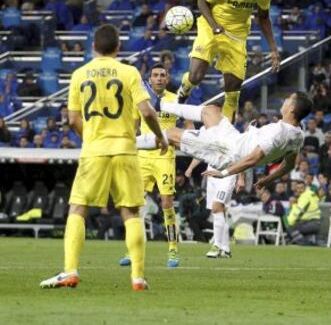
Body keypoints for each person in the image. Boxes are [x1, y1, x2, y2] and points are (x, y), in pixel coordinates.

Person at [39, 24, 168, 291]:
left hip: (94, 150)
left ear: (93, 47)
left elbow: (73, 119)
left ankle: (70, 272)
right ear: (118, 47)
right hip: (125, 149)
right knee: (131, 212)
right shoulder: (129, 72)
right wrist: (160, 136)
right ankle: (137, 277)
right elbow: (147, 112)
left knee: (78, 209)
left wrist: (93, 138)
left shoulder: (78, 74)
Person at [177, 0, 280, 123]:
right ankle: (183, 91)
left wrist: (273, 49)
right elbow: (202, 0)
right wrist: (214, 24)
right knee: (196, 75)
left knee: (233, 89)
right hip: (211, 26)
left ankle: (226, 130)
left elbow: (263, 18)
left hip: (237, 34)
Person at [137, 92, 312, 191]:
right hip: (233, 139)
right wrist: (267, 180)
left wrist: (225, 173)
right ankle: (159, 104)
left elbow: (254, 159)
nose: (284, 100)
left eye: (287, 99)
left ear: (291, 109)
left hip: (225, 151)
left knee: (172, 134)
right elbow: (288, 165)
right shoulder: (298, 135)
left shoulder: (278, 133)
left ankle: (127, 143)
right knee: (210, 111)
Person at [119, 63, 190, 268]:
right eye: (155, 75)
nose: (159, 78)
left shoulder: (174, 100)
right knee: (135, 204)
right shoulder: (141, 99)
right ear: (150, 78)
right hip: (142, 157)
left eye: (162, 75)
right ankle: (133, 250)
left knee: (166, 203)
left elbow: (187, 127)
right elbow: (133, 127)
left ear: (167, 79)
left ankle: (173, 250)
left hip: (165, 157)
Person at [185, 158, 238, 258]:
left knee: (216, 207)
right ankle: (225, 249)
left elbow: (240, 156)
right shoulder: (209, 142)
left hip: (227, 174)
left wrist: (241, 178)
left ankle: (216, 246)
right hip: (212, 175)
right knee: (220, 212)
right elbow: (201, 152)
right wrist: (190, 167)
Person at [287, 180, 320, 245]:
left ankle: (307, 245)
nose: (299, 190)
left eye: (301, 188)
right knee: (294, 227)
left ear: (305, 187)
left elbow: (297, 213)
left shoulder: (305, 197)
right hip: (314, 222)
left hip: (311, 223)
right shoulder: (309, 194)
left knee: (291, 228)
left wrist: (288, 223)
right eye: (298, 188)